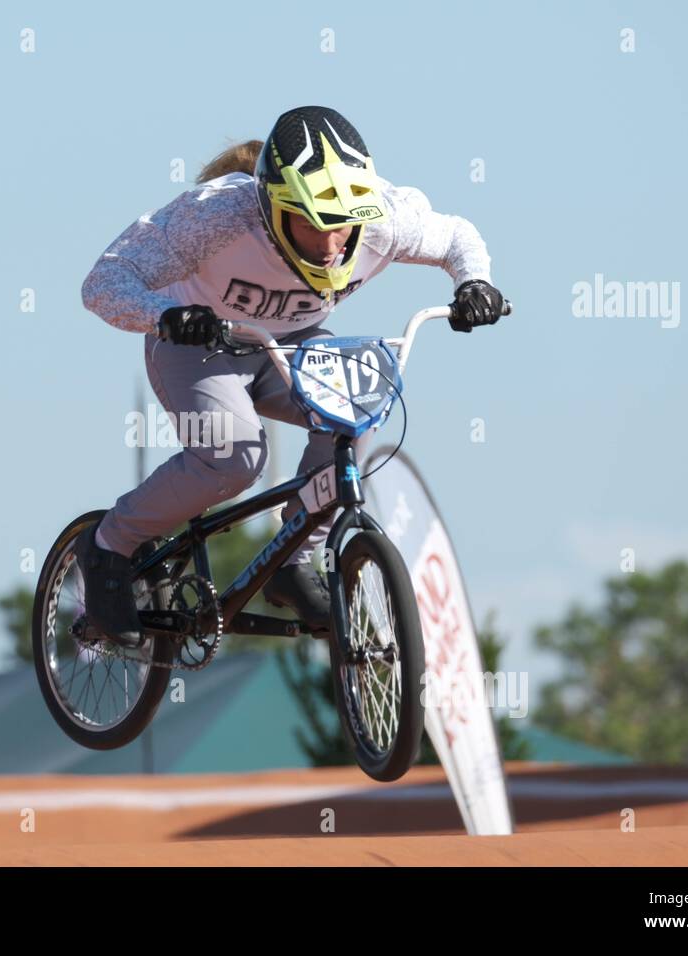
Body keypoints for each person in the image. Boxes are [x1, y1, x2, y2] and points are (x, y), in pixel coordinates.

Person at [76, 106, 506, 647]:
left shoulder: (384, 219)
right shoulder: (216, 218)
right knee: (236, 460)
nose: (331, 246)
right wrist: (165, 315)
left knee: (361, 402)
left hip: (291, 346)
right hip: (200, 347)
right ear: (274, 211)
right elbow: (105, 281)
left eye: (342, 225)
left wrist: (475, 283)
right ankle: (111, 544)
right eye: (311, 224)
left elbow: (456, 237)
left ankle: (296, 558)